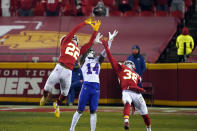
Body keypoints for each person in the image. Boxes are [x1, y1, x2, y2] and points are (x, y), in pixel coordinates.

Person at [39, 17, 101, 118]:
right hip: (61, 68)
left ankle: (56, 104)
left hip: (67, 71)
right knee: (48, 88)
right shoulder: (68, 42)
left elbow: (87, 41)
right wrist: (91, 28)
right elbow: (80, 36)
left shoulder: (75, 47)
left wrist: (91, 28)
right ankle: (45, 97)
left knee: (64, 93)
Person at [69, 30, 118, 131]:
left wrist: (110, 42)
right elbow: (84, 52)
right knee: (79, 110)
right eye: (90, 51)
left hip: (95, 87)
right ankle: (72, 128)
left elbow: (106, 52)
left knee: (93, 111)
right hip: (87, 85)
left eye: (92, 51)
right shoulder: (83, 60)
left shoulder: (97, 60)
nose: (92, 52)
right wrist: (93, 42)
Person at [101, 38, 151, 131]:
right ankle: (147, 128)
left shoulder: (122, 68)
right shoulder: (136, 75)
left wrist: (106, 46)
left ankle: (127, 121)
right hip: (136, 92)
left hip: (128, 91)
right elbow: (136, 82)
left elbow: (111, 58)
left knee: (128, 103)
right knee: (145, 115)